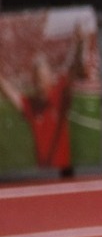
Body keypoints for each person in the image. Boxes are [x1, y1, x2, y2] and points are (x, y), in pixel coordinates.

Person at [0, 29, 87, 171]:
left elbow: (76, 69)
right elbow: (10, 93)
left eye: (41, 79)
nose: (39, 84)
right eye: (36, 80)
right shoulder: (31, 105)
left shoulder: (60, 93)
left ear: (50, 78)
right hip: (44, 173)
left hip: (64, 172)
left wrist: (80, 45)